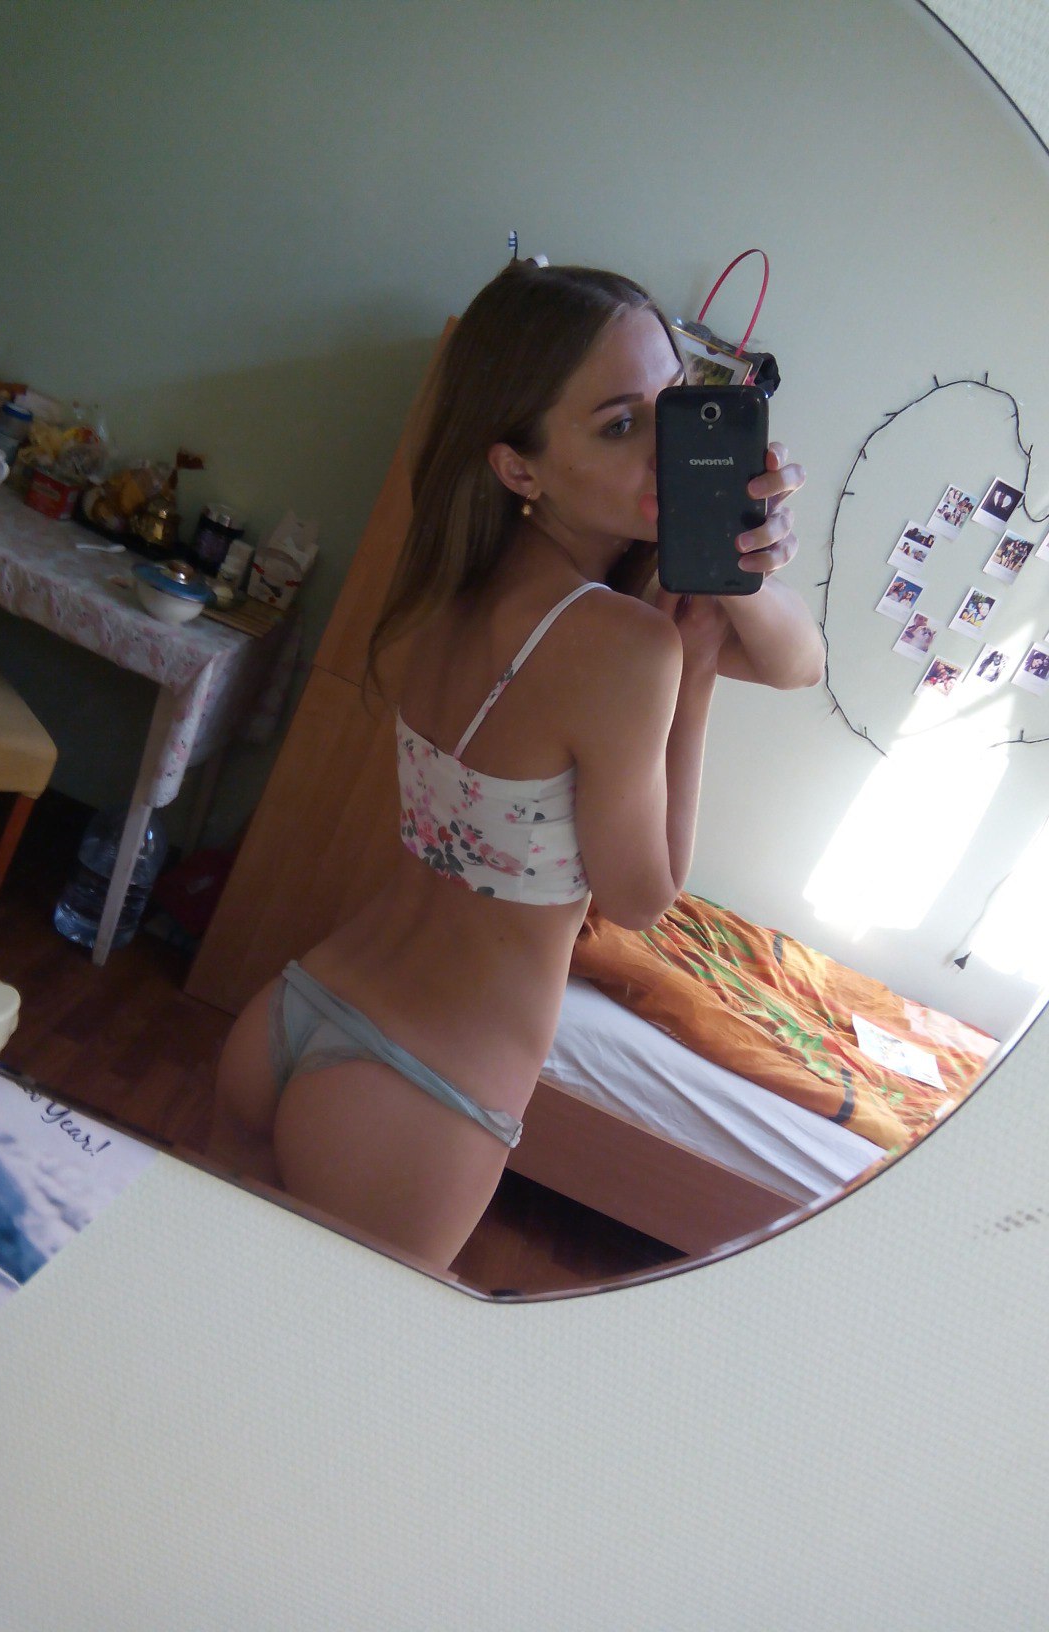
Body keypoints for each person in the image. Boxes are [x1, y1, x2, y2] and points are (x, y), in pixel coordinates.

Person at [207, 260, 824, 1270]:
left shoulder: (456, 578)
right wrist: (696, 672)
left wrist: (743, 563)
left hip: (296, 1008)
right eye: (619, 425)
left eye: (673, 406)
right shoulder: (627, 644)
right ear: (520, 468)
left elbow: (801, 664)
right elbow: (641, 897)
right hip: (421, 1090)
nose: (663, 448)